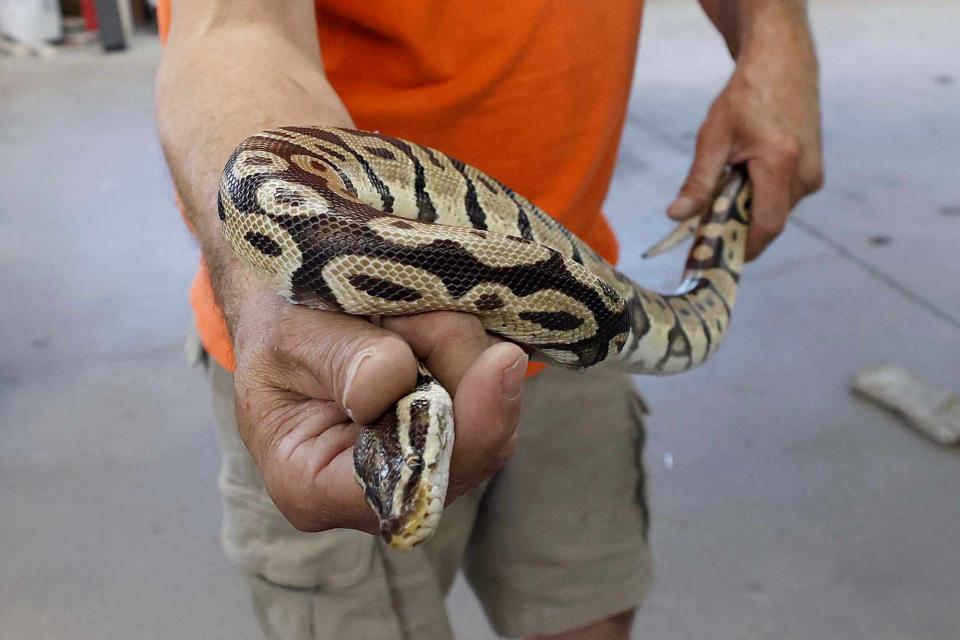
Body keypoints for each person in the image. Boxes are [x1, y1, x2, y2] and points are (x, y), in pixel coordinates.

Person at [155, 1, 823, 638]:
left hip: (581, 309)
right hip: (325, 366)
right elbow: (232, 25)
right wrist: (265, 289)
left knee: (590, 611)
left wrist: (776, 40)